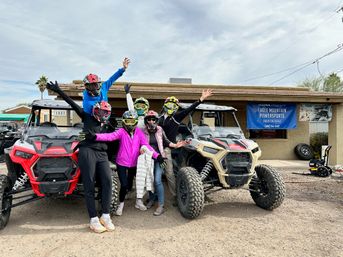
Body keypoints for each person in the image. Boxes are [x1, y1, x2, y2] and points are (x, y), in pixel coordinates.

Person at [46, 58, 130, 233]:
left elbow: (111, 80)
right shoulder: (87, 111)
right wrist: (59, 90)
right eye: (90, 86)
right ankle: (93, 219)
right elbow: (71, 103)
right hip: (87, 150)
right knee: (89, 184)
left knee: (107, 181)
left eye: (95, 85)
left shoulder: (106, 110)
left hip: (101, 152)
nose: (93, 88)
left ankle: (105, 215)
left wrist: (122, 69)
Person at [86, 110, 167, 216]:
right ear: (124, 121)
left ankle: (138, 201)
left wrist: (157, 156)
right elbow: (110, 136)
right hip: (122, 163)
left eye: (132, 121)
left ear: (136, 121)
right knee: (123, 185)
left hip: (134, 163)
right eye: (128, 121)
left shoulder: (139, 132)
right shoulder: (121, 131)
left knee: (135, 183)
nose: (130, 123)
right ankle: (121, 204)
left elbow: (146, 146)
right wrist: (96, 136)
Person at [158, 89, 213, 199]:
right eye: (169, 105)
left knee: (169, 173)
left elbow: (189, 109)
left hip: (168, 149)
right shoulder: (157, 118)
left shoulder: (176, 117)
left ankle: (175, 196)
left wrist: (201, 99)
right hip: (155, 149)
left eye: (174, 106)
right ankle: (153, 196)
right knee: (155, 173)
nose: (171, 107)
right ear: (164, 105)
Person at [142, 110, 185, 215]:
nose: (151, 121)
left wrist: (175, 145)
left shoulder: (160, 129)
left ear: (156, 120)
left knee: (157, 180)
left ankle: (161, 205)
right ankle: (152, 199)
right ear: (146, 121)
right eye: (149, 119)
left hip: (162, 159)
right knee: (150, 180)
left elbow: (166, 141)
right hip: (149, 159)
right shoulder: (142, 131)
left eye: (153, 119)